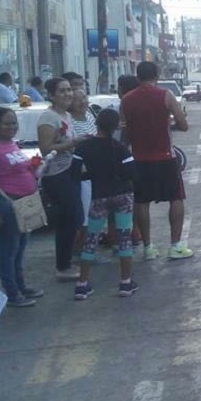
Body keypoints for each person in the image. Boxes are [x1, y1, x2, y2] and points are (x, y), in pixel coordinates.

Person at [121, 61, 192, 260]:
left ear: (138, 76)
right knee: (176, 198)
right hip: (165, 157)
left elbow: (124, 132)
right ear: (157, 75)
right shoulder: (165, 95)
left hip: (139, 158)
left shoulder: (126, 99)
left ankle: (148, 248)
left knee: (142, 201)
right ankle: (175, 245)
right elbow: (184, 125)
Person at [70, 108, 137, 301]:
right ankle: (125, 282)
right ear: (116, 126)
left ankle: (82, 285)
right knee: (124, 238)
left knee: (91, 239)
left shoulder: (84, 148)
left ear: (97, 123)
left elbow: (75, 174)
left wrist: (91, 175)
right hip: (122, 195)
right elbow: (132, 174)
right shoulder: (120, 148)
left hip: (98, 195)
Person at [0, 107, 45, 307]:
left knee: (21, 247)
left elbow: (20, 170)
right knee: (9, 249)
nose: (12, 126)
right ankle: (12, 293)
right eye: (6, 123)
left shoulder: (12, 144)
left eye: (14, 123)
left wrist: (34, 165)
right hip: (8, 204)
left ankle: (21, 286)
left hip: (25, 203)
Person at [37, 77, 86, 279]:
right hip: (56, 174)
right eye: (62, 91)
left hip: (70, 171)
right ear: (51, 95)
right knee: (68, 218)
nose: (68, 94)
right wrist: (73, 143)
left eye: (69, 90)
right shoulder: (48, 118)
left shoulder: (65, 115)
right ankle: (62, 266)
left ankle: (67, 261)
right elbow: (45, 148)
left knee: (75, 217)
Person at [70, 89, 98, 250]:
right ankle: (83, 249)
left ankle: (89, 248)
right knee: (85, 215)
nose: (82, 102)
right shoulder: (70, 122)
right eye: (77, 99)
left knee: (94, 213)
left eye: (84, 98)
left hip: (95, 171)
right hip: (81, 173)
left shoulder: (89, 116)